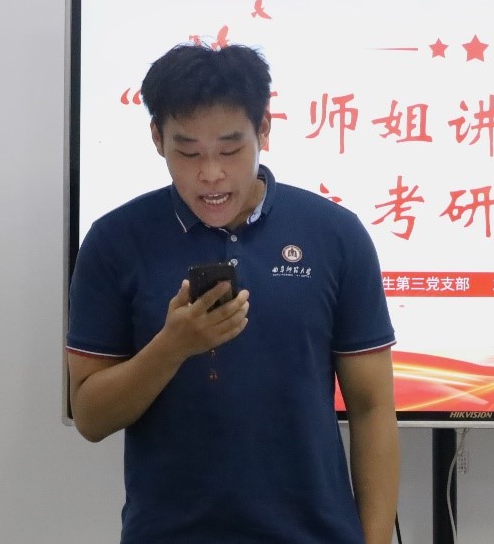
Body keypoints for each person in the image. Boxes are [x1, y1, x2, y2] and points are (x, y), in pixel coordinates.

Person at [66, 42, 399, 544]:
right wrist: (172, 346)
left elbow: (372, 407)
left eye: (229, 149)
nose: (211, 174)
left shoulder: (334, 234)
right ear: (157, 138)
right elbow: (91, 417)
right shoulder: (115, 241)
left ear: (263, 129)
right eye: (188, 152)